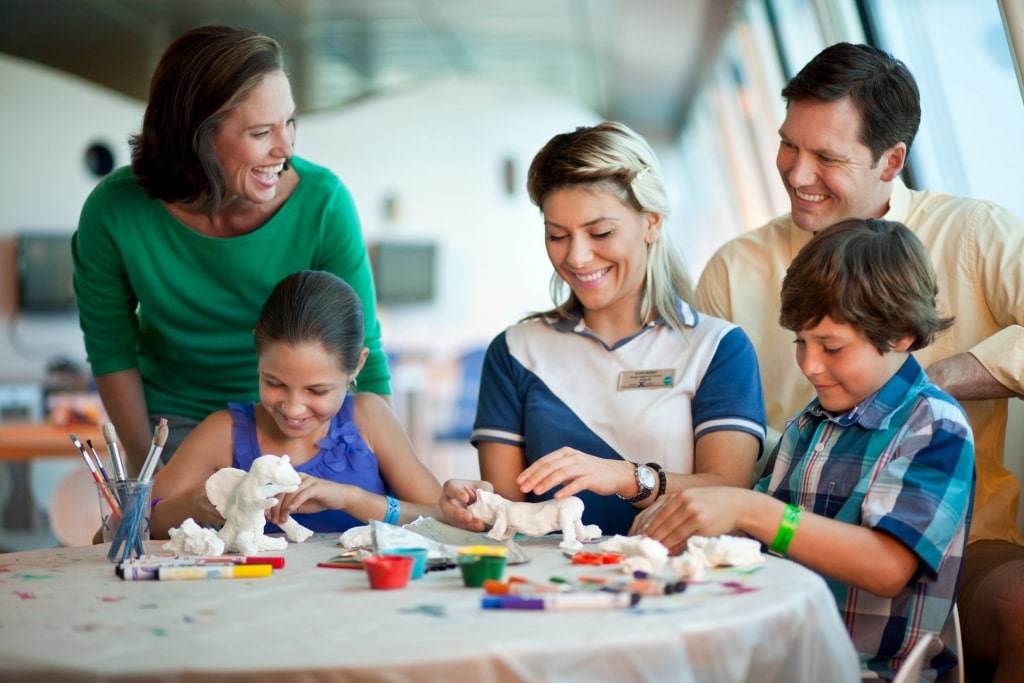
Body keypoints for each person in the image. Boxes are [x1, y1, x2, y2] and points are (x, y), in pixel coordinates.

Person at [693, 42, 1024, 681]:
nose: (796, 173)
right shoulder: (734, 270)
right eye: (790, 145)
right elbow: (730, 461)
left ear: (892, 160)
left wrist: (918, 388)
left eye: (827, 156)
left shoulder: (977, 235)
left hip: (962, 539)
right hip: (786, 528)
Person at [639, 217, 974, 680]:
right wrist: (692, 526)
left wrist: (751, 509)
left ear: (901, 334)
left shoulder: (934, 425)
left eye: (831, 347)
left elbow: (887, 566)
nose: (810, 365)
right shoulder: (809, 424)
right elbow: (757, 542)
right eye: (801, 341)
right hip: (781, 659)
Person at [72, 25, 390, 475]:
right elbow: (111, 351)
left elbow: (365, 352)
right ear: (197, 137)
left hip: (291, 425)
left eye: (290, 122)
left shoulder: (323, 203)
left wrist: (383, 466)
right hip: (174, 426)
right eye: (262, 131)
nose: (286, 148)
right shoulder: (114, 211)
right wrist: (148, 473)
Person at [440, 121, 766, 538]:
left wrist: (626, 477)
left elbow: (729, 491)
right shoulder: (515, 351)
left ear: (652, 222)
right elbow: (508, 511)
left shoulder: (717, 349)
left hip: (674, 581)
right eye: (557, 235)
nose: (577, 256)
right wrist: (473, 502)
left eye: (601, 233)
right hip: (550, 583)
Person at [148, 270, 441, 539]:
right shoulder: (222, 433)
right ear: (257, 352)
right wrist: (195, 503)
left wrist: (352, 499)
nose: (293, 408)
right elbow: (115, 534)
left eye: (317, 390)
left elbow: (447, 520)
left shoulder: (370, 417)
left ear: (358, 366)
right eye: (275, 383)